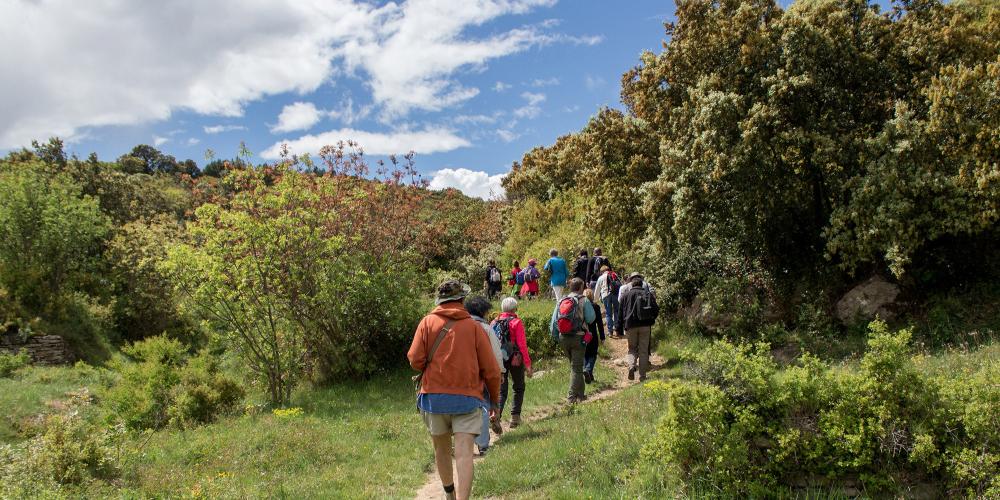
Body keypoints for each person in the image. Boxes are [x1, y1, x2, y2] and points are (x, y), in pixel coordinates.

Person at [408, 281, 502, 500]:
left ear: (439, 301)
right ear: (462, 300)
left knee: (441, 449)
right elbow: (491, 371)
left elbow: (414, 359)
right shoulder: (474, 327)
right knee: (464, 454)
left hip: (433, 397)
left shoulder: (427, 322)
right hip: (467, 399)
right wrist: (494, 401)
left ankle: (449, 493)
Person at [464, 296, 504, 456]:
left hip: (462, 372)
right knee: (484, 406)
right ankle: (482, 444)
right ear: (483, 311)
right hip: (482, 372)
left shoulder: (460, 326)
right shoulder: (485, 328)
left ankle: (462, 442)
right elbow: (496, 352)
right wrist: (500, 372)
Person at [550, 278, 595, 403]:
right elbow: (591, 318)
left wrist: (556, 337)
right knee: (576, 367)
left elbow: (554, 322)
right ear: (580, 287)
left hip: (563, 337)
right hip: (578, 337)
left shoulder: (561, 300)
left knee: (575, 366)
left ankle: (580, 395)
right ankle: (571, 398)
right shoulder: (583, 300)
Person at [492, 297, 533, 428]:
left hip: (499, 359)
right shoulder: (516, 322)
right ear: (514, 308)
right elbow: (522, 345)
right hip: (516, 358)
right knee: (519, 387)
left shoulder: (494, 322)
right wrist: (528, 365)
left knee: (501, 390)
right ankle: (515, 418)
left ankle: (496, 416)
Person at [620, 273, 660, 382]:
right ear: (642, 284)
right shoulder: (647, 294)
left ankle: (631, 366)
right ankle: (642, 376)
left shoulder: (625, 295)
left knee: (632, 348)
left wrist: (620, 327)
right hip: (645, 325)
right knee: (643, 351)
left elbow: (620, 313)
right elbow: (656, 309)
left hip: (631, 325)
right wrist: (651, 320)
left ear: (631, 285)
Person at [582, 288, 605, 384]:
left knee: (584, 353)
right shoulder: (595, 306)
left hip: (582, 333)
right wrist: (602, 336)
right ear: (592, 296)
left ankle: (587, 372)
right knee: (593, 354)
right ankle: (588, 369)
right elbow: (600, 323)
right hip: (593, 334)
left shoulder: (580, 306)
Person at [594, 265, 621, 337]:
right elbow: (619, 285)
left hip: (606, 295)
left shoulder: (601, 277)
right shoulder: (614, 274)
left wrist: (595, 300)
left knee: (608, 313)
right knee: (616, 311)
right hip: (615, 294)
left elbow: (597, 289)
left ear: (602, 271)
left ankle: (610, 331)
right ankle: (617, 329)